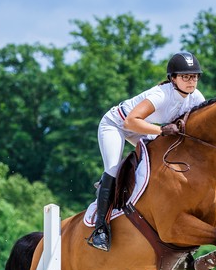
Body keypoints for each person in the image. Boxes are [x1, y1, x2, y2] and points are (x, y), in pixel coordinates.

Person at [87, 51, 206, 251]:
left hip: (142, 128)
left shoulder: (196, 98)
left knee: (160, 162)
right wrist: (161, 130)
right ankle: (100, 229)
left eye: (194, 77)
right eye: (185, 77)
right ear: (173, 78)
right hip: (116, 124)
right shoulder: (161, 95)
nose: (191, 81)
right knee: (113, 169)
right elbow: (130, 122)